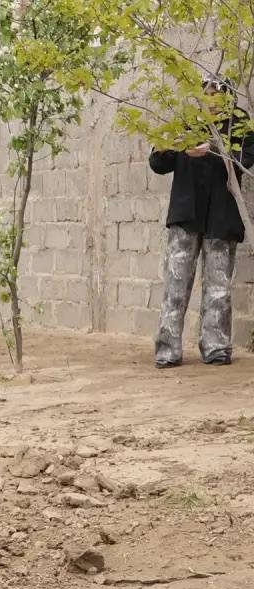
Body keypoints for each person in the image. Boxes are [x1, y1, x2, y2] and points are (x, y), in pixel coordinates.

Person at [150, 74, 254, 368]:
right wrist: (174, 147)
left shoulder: (241, 125)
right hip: (186, 215)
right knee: (175, 284)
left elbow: (245, 158)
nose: (212, 100)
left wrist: (215, 150)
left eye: (218, 94)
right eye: (207, 94)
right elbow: (158, 164)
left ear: (228, 97)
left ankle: (217, 347)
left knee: (218, 287)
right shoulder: (185, 122)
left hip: (222, 218)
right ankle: (168, 351)